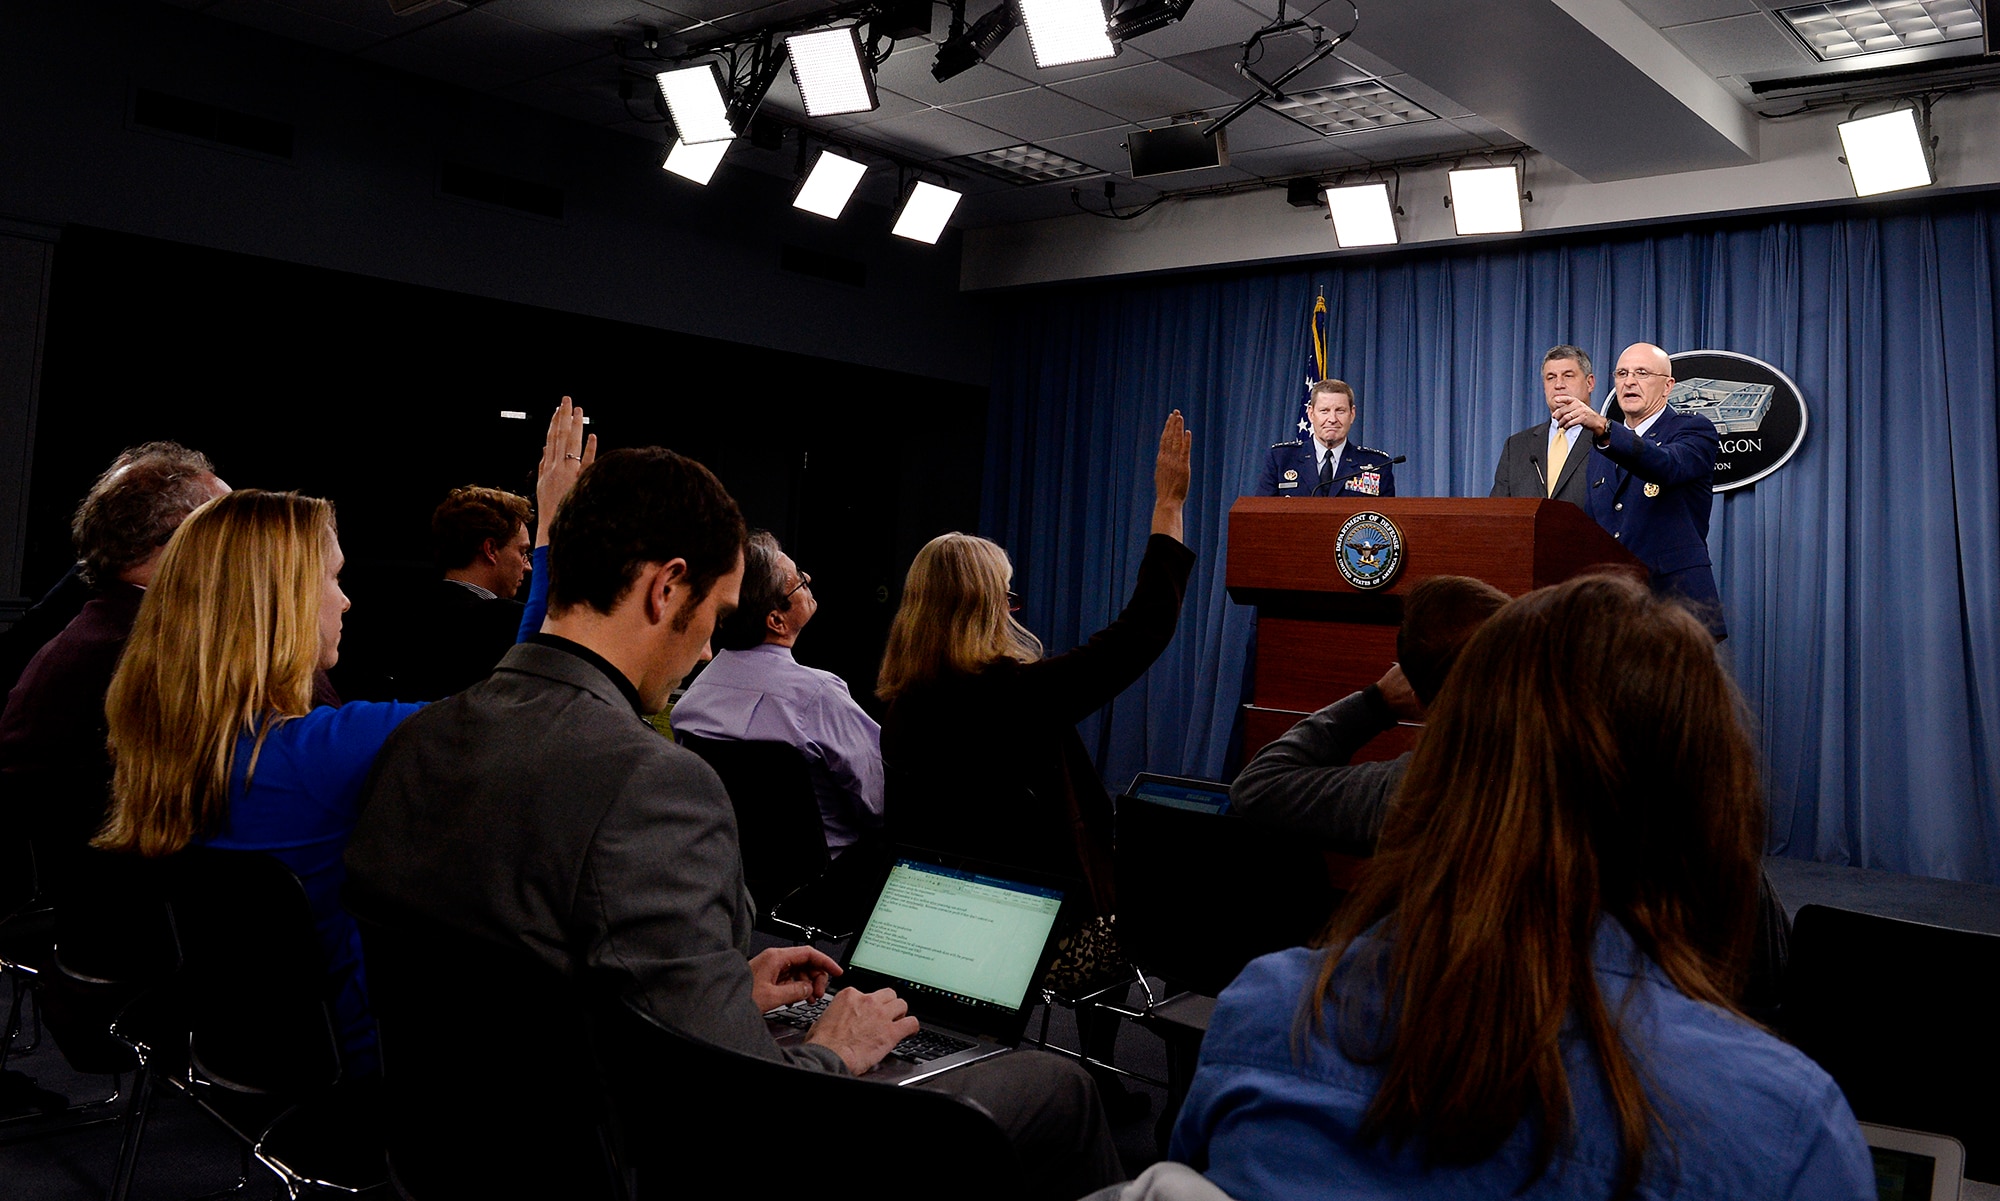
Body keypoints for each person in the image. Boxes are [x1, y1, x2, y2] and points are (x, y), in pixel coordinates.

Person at [344, 445, 1124, 1200]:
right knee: (1057, 1084)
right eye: (715, 615)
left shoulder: (415, 744)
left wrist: (717, 990)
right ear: (666, 589)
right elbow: (735, 1122)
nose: (711, 645)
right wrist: (831, 1053)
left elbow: (529, 988)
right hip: (650, 1166)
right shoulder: (654, 785)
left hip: (446, 1162)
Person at [1172, 575, 1873, 1201]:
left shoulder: (1269, 1013)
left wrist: (1373, 704)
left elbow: (1261, 785)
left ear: (1454, 738)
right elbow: (1767, 983)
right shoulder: (1784, 1127)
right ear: (1707, 778)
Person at [95, 490, 422, 1074]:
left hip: (241, 1050)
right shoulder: (323, 753)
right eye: (333, 579)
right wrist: (555, 543)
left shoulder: (165, 744)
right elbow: (530, 707)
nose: (345, 602)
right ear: (284, 601)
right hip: (374, 1068)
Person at [0, 442, 228, 902]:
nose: (245, 550)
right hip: (119, 916)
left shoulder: (101, 627)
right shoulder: (143, 652)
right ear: (180, 540)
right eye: (227, 529)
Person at [1230, 575, 1509, 856]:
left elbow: (1259, 787)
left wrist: (1375, 703)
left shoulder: (1409, 789)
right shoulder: (1547, 774)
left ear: (1421, 703)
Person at [671, 530, 883, 856]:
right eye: (798, 581)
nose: (808, 577)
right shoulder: (820, 696)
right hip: (827, 886)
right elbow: (876, 803)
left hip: (731, 875)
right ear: (776, 621)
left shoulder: (690, 705)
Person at [1556, 342, 1726, 640]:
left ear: (1667, 386)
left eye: (1642, 373)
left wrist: (1604, 427)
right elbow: (1595, 529)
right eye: (1622, 373)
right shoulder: (1602, 448)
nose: (1629, 381)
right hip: (1614, 613)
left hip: (1674, 607)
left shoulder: (1694, 430)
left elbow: (1666, 465)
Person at [357, 485, 533, 701]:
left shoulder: (398, 614)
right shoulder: (506, 619)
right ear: (491, 550)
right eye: (523, 552)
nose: (528, 567)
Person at [1490, 345, 1597, 505]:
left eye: (1568, 376)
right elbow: (1497, 510)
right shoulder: (1516, 446)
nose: (1558, 384)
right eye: (1551, 377)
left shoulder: (1607, 441)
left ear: (1589, 383)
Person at [1253, 380, 1396, 498]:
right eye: (1324, 411)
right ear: (1310, 414)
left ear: (1352, 414)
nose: (1332, 419)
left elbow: (1385, 525)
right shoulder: (1281, 459)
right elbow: (1261, 516)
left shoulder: (1378, 464)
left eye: (1340, 411)